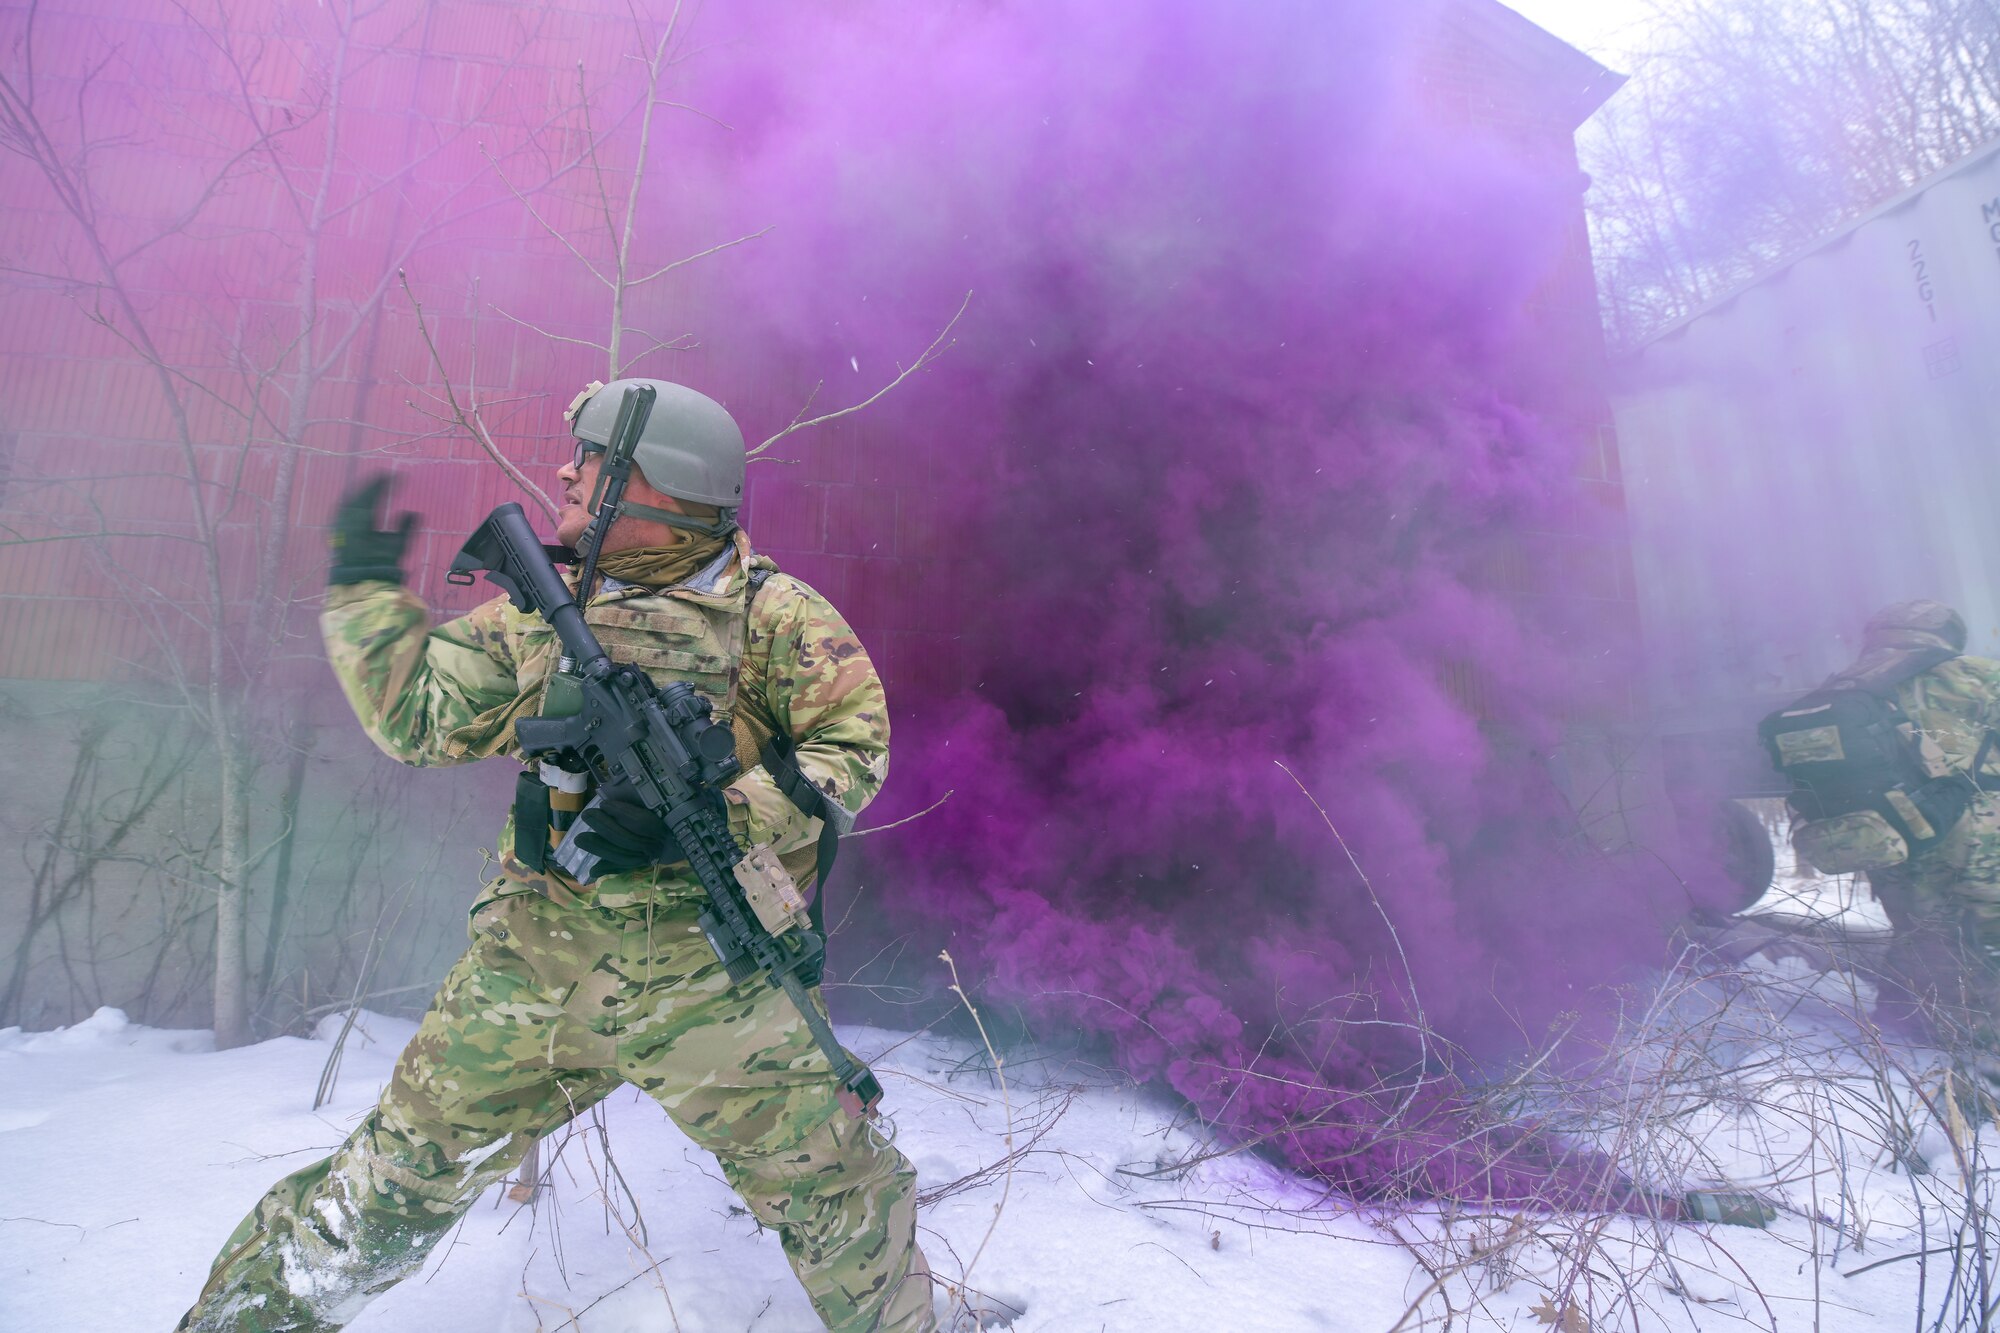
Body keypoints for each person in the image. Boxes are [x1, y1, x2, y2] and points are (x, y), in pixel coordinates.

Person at [177, 379, 935, 1332]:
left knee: (842, 1195)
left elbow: (850, 759)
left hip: (719, 980)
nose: (567, 473)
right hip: (535, 970)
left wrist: (719, 813)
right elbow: (418, 712)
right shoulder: (543, 607)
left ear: (652, 487)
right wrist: (365, 585)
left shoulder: (780, 619)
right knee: (388, 1186)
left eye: (591, 459)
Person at [1787, 600, 2000, 1047]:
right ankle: (1982, 1058)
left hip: (1891, 840)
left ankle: (1903, 1027)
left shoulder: (1844, 688)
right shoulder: (1977, 675)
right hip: (1974, 842)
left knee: (1918, 930)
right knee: (1984, 942)